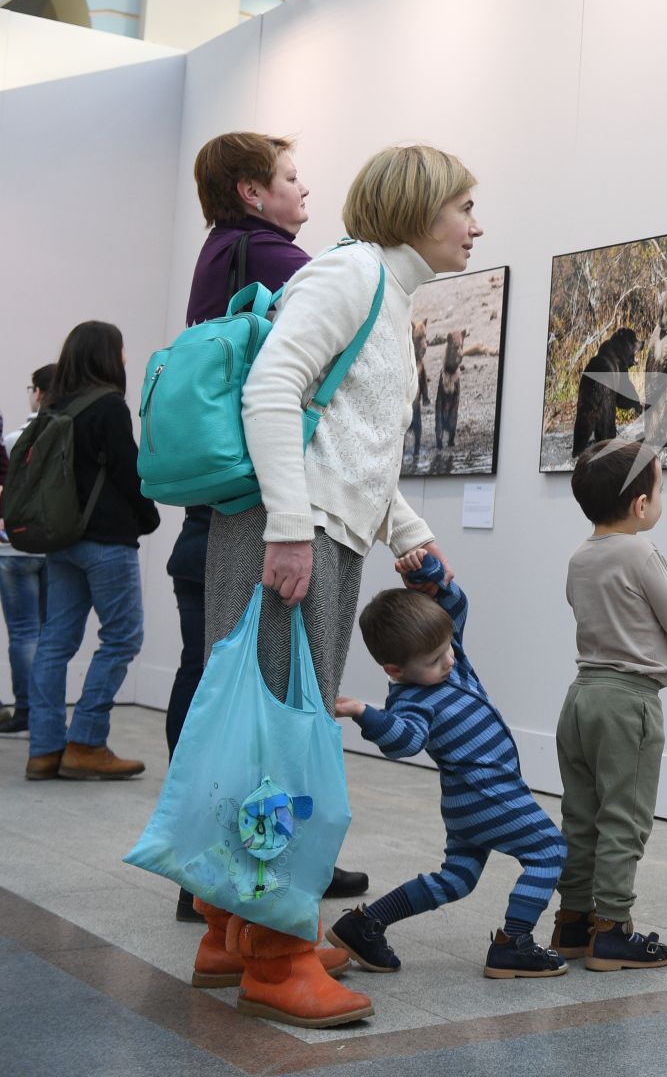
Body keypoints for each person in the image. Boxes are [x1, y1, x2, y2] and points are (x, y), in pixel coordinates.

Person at [189, 142, 481, 1029]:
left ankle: (230, 931)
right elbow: (272, 394)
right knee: (282, 744)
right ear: (416, 208)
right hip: (294, 533)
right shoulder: (348, 277)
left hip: (324, 531)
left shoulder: (385, 294)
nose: (476, 225)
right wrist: (287, 528)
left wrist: (409, 533)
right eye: (463, 207)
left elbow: (348, 438)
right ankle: (276, 957)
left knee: (274, 732)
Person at [165, 133, 345, 921]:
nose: (304, 192)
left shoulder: (216, 257)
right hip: (262, 511)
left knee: (210, 691)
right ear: (249, 190)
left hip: (208, 516)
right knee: (273, 713)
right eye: (291, 178)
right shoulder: (274, 260)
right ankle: (247, 872)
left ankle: (205, 870)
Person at [328, 552, 569, 980]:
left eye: (447, 648)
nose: (450, 661)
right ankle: (514, 943)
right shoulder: (411, 700)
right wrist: (364, 712)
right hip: (488, 792)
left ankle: (365, 924)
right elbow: (404, 741)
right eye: (436, 659)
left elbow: (455, 607)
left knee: (457, 877)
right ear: (395, 670)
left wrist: (428, 577)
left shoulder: (445, 662)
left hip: (468, 801)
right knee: (549, 850)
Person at [549, 438, 667, 971]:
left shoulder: (578, 559)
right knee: (624, 817)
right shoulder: (642, 553)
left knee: (581, 814)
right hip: (629, 705)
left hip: (580, 700)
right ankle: (614, 929)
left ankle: (572, 922)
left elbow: (610, 628)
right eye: (660, 491)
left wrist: (661, 647)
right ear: (641, 505)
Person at [24, 324, 160, 779]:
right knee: (122, 637)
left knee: (54, 643)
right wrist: (149, 517)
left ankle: (43, 750)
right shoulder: (108, 406)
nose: (125, 357)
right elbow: (128, 472)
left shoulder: (55, 405)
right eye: (122, 349)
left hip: (61, 540)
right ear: (107, 355)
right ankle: (85, 741)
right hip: (106, 542)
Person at [0, 365, 53, 736]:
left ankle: (25, 713)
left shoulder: (14, 438)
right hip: (53, 547)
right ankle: (44, 716)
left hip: (13, 548)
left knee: (23, 633)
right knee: (51, 633)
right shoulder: (67, 435)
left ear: (38, 392)